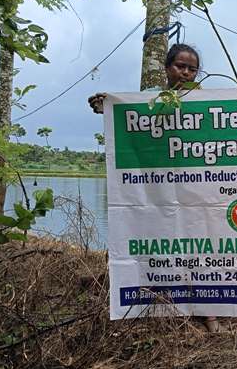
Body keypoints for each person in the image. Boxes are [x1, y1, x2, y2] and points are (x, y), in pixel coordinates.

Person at [88, 43, 220, 333]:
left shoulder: (207, 102)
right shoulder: (150, 100)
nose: (185, 72)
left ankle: (209, 314)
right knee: (156, 244)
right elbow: (125, 114)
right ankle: (153, 307)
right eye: (180, 66)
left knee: (199, 248)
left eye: (191, 68)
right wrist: (106, 104)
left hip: (195, 190)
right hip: (156, 190)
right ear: (166, 68)